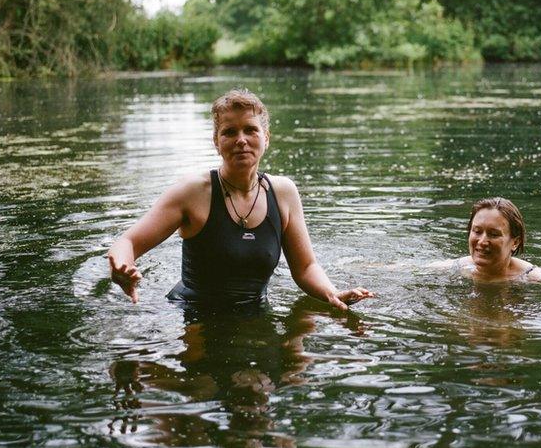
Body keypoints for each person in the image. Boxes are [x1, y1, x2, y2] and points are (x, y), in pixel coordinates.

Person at [107, 89, 373, 310]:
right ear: (216, 141)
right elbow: (127, 241)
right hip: (194, 315)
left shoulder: (283, 193)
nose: (241, 140)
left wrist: (331, 293)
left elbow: (305, 267)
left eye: (250, 130)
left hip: (256, 311)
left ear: (266, 139)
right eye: (230, 132)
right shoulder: (193, 192)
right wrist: (122, 266)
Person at [430, 197, 541, 284]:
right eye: (477, 231)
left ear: (515, 242)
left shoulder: (530, 276)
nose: (482, 241)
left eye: (493, 234)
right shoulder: (455, 268)